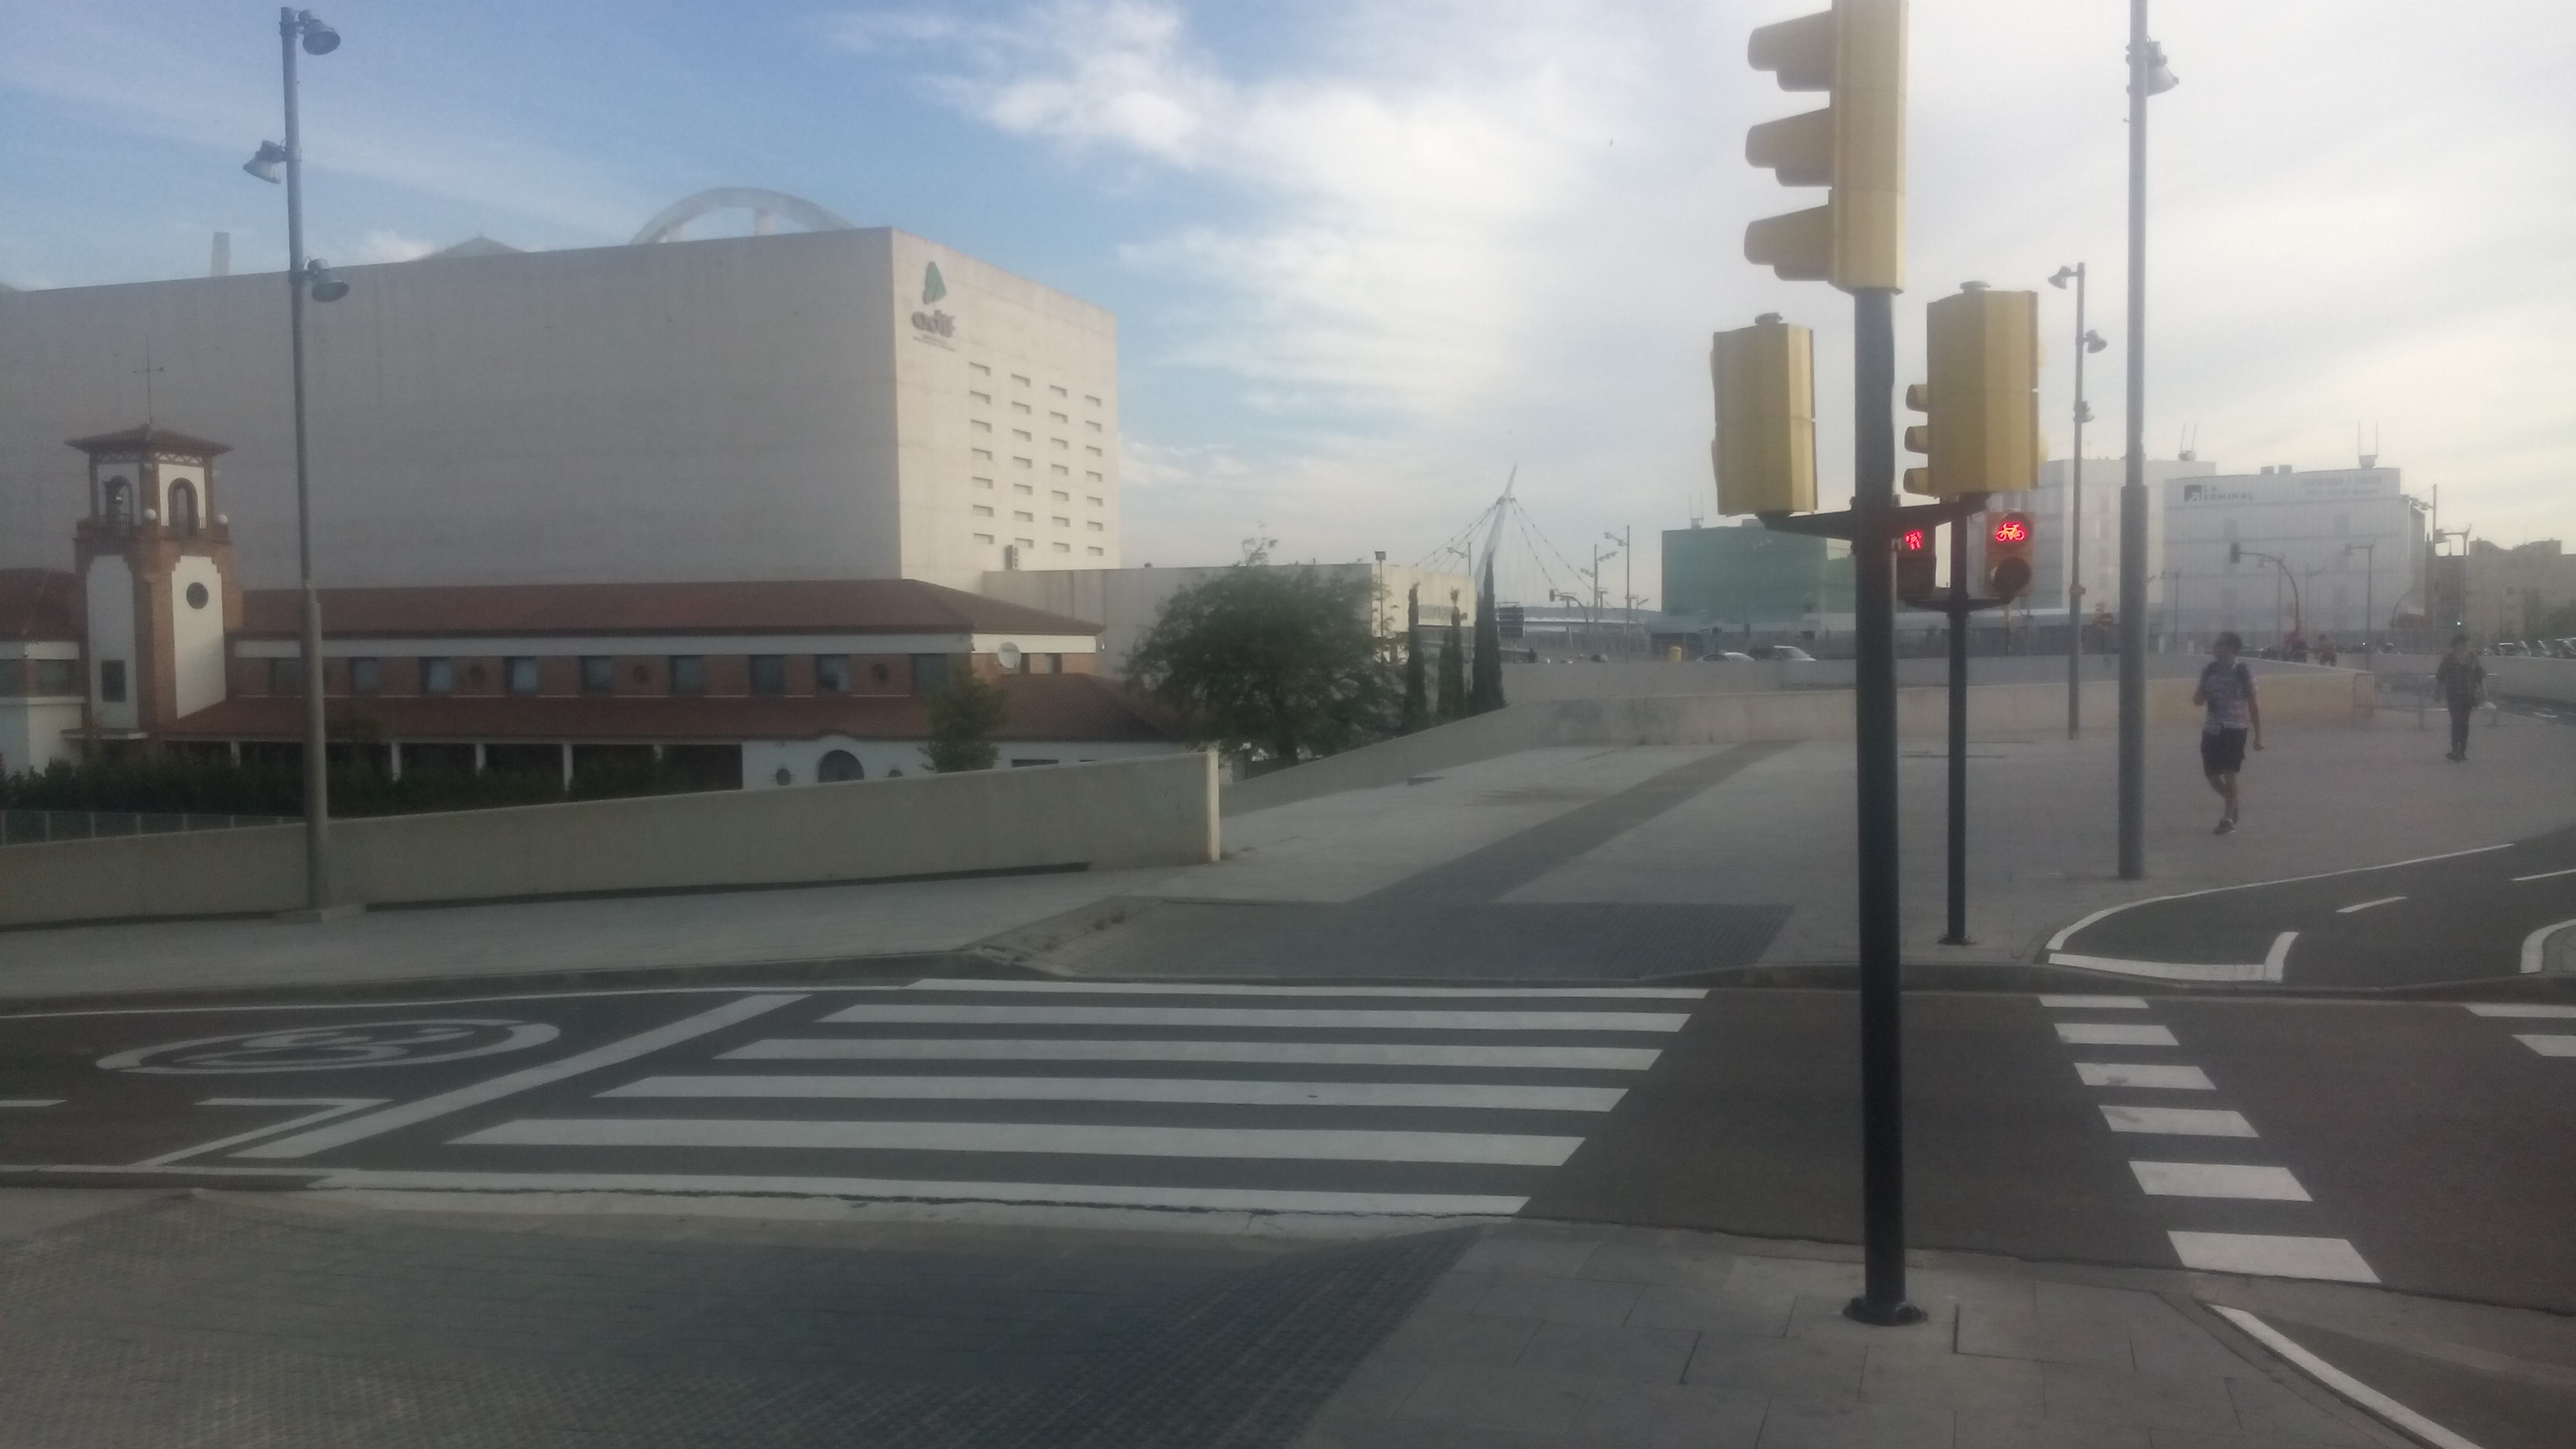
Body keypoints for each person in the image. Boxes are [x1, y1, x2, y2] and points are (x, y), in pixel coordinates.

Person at [2191, 632, 2262, 834]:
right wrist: (2203, 696)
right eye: (2217, 645)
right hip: (2212, 728)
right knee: (2212, 775)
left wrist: (2258, 735)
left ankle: (2228, 818)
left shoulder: (2243, 670)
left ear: (2232, 649)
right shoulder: (2209, 670)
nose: (2217, 648)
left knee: (2231, 774)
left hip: (2235, 728)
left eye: (2222, 645)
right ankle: (2233, 800)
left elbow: (2253, 703)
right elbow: (2196, 700)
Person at [2434, 634, 2486, 762]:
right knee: (2456, 722)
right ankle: (2455, 750)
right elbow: (2440, 677)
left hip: (2469, 695)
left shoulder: (2473, 658)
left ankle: (2462, 751)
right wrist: (2437, 692)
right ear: (2455, 644)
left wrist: (2484, 691)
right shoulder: (2448, 659)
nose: (2463, 645)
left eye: (2465, 642)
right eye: (2461, 643)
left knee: (2465, 723)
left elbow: (2479, 675)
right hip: (2453, 695)